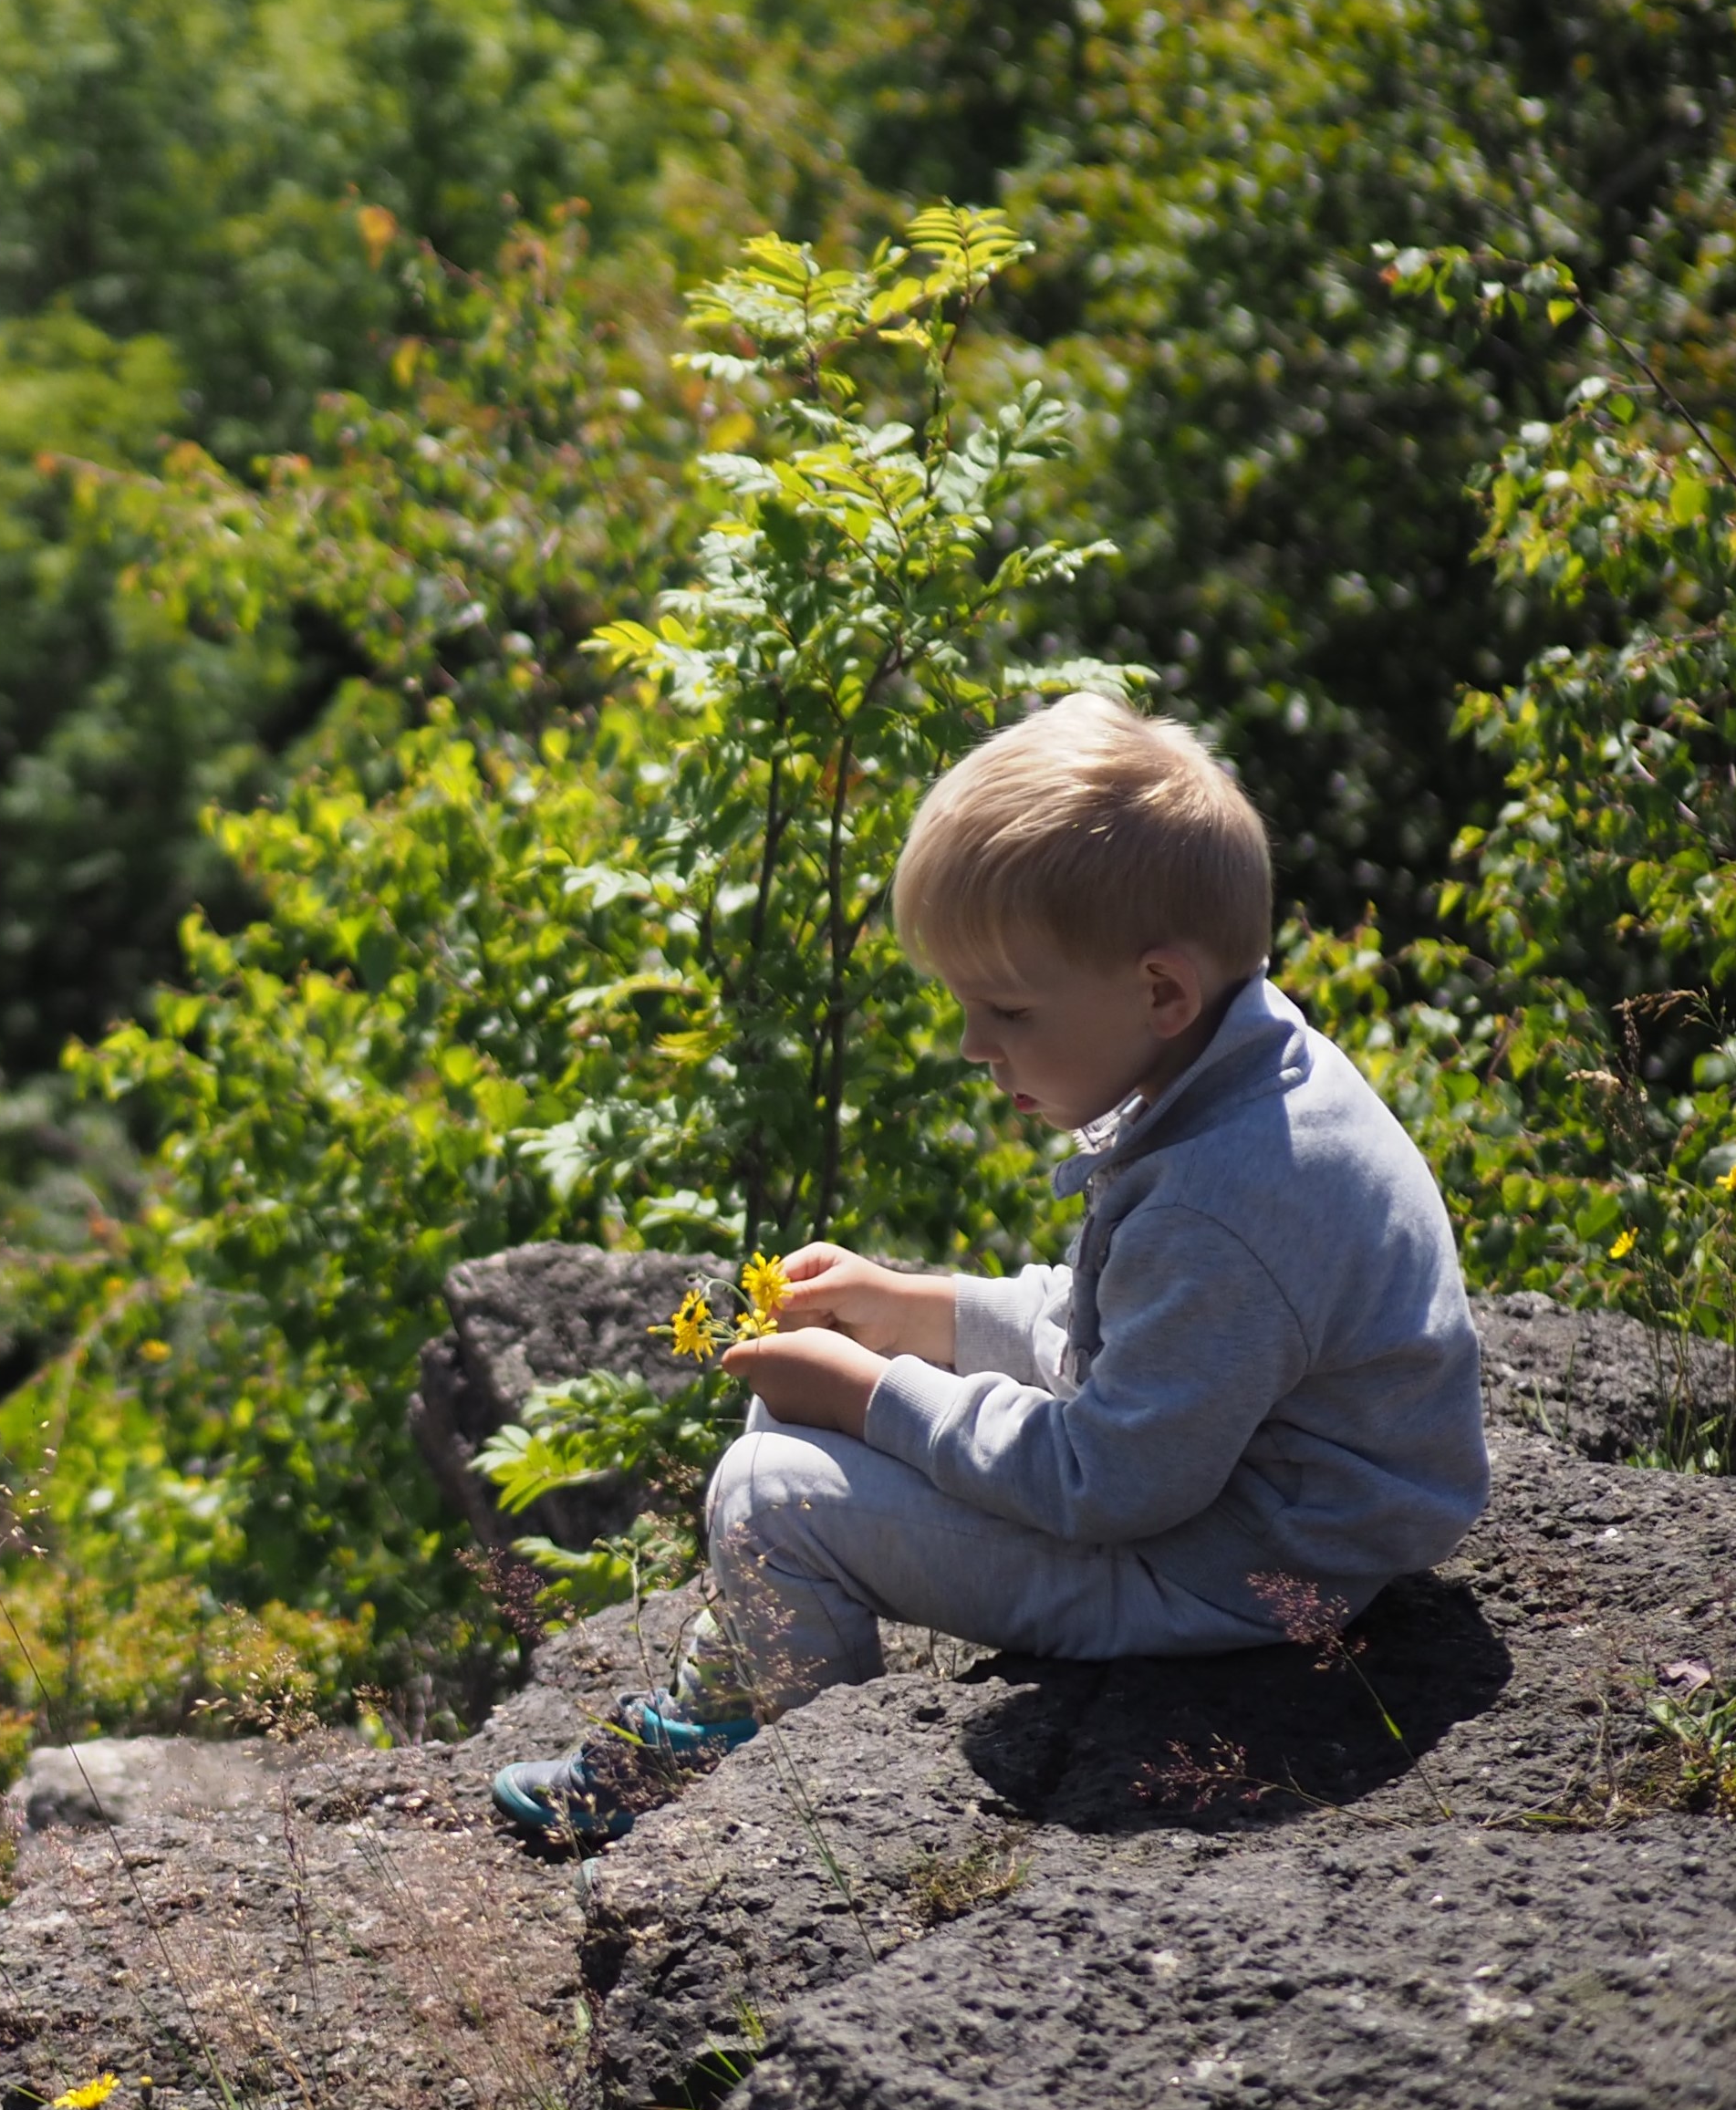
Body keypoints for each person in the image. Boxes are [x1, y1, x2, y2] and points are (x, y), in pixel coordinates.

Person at [492, 689, 1488, 1848]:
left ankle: (762, 1770)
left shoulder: (1222, 1201)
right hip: (1262, 1512)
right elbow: (1123, 1337)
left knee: (769, 1492)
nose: (973, 1044)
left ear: (1158, 990)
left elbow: (1109, 1478)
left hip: (1245, 1574)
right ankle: (745, 1685)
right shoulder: (1241, 1083)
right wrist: (911, 1308)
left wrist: (871, 1392)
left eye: (1004, 1007)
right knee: (786, 1412)